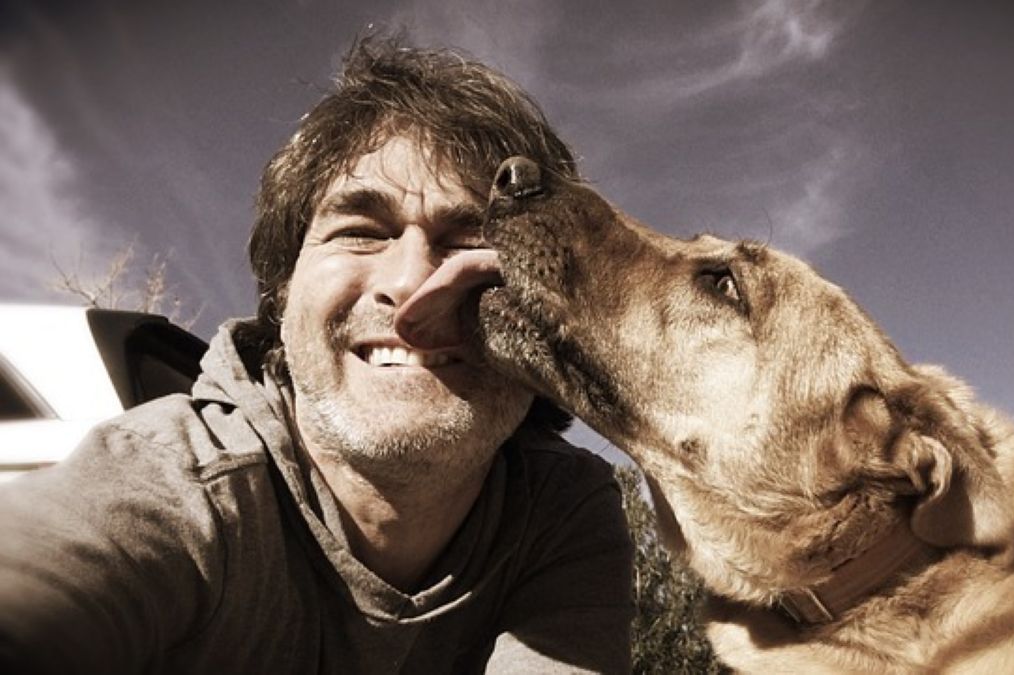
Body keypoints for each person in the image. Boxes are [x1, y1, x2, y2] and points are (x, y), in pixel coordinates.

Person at [0, 36, 634, 674]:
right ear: (282, 294)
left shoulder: (562, 509)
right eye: (361, 233)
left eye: (470, 242)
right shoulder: (171, 481)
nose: (411, 282)